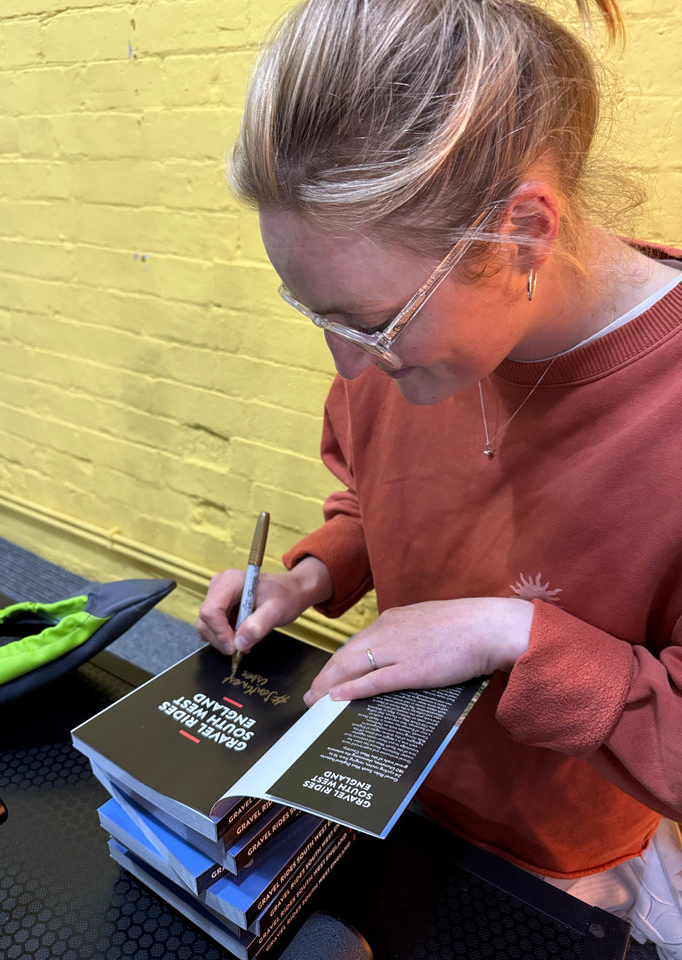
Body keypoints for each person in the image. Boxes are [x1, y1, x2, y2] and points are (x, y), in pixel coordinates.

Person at [196, 0, 682, 954]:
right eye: (312, 312)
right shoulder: (398, 355)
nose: (348, 365)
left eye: (371, 321)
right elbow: (379, 495)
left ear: (524, 234)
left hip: (558, 872)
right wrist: (312, 575)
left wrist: (512, 635)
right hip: (385, 801)